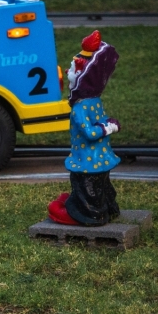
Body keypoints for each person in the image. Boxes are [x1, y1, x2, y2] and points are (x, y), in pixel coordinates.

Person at [48, 30, 121, 226]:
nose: (67, 72)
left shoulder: (79, 108)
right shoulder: (95, 101)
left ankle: (88, 214)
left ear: (81, 76)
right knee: (102, 184)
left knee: (84, 185)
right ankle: (108, 207)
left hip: (86, 161)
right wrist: (109, 125)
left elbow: (89, 132)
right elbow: (102, 121)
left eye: (72, 70)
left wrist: (107, 128)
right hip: (101, 157)